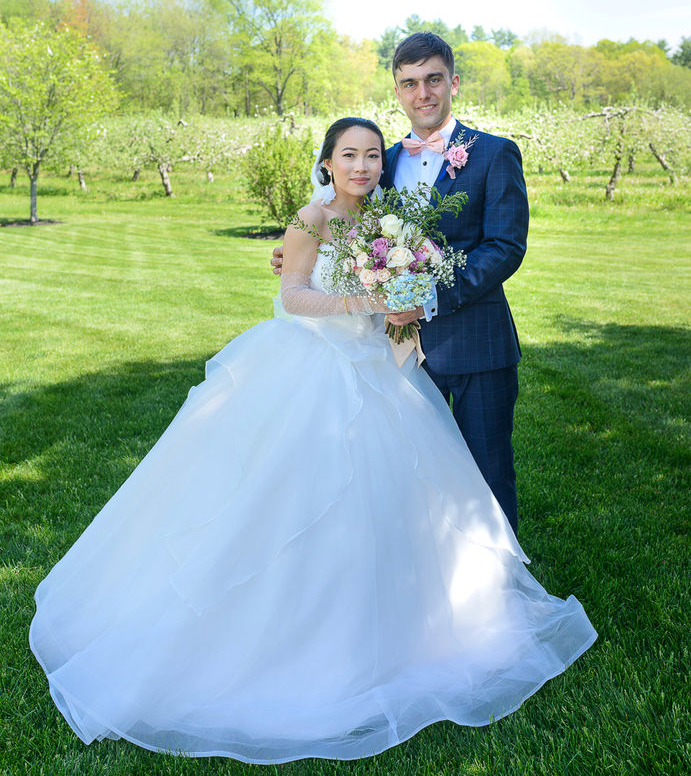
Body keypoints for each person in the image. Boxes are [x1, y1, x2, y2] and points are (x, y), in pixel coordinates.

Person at [30, 118, 596, 764]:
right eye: (348, 154)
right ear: (326, 162)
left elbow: (407, 288)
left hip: (381, 372)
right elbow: (294, 295)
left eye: (371, 155)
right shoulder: (310, 216)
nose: (361, 164)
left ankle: (423, 621)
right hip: (312, 369)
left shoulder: (393, 222)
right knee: (291, 493)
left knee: (400, 496)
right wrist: (359, 301)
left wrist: (403, 308)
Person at [273, 33, 528, 535]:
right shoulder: (381, 161)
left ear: (452, 82)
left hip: (477, 345)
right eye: (409, 83)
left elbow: (504, 248)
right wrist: (296, 251)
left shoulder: (495, 154)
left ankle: (503, 586)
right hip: (395, 354)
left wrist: (429, 297)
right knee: (415, 474)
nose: (423, 93)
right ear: (397, 92)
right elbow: (345, 227)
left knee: (487, 469)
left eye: (433, 79)